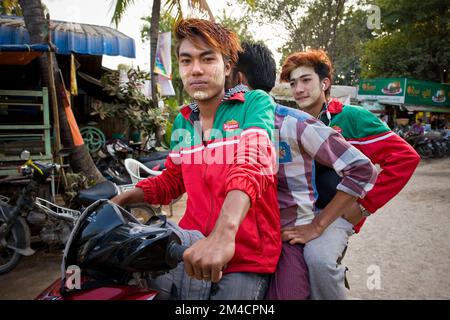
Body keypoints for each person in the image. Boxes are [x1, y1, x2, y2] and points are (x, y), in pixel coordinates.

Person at [112, 19, 281, 300]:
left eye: (207, 58)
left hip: (246, 254)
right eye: (186, 61)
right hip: (190, 245)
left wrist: (224, 233)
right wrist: (125, 197)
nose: (196, 70)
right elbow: (172, 180)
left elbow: (254, 160)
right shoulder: (183, 119)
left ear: (227, 67)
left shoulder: (254, 103)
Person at [226, 42, 379, 299]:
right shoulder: (224, 127)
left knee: (314, 270)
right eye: (294, 83)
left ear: (238, 79)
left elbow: (363, 169)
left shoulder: (296, 123)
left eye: (223, 72)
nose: (299, 89)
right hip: (243, 238)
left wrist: (321, 224)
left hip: (288, 235)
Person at [279, 49, 420, 299]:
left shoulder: (353, 118)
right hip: (296, 210)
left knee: (319, 262)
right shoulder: (288, 121)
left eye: (305, 80)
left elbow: (405, 158)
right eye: (293, 83)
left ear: (325, 83)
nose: (298, 88)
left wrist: (364, 207)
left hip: (333, 213)